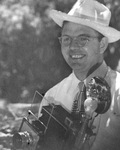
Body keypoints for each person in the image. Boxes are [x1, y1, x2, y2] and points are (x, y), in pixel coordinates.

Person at [38, 0, 120, 150]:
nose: (73, 47)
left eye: (83, 39)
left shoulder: (118, 92)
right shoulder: (52, 97)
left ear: (102, 44)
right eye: (67, 39)